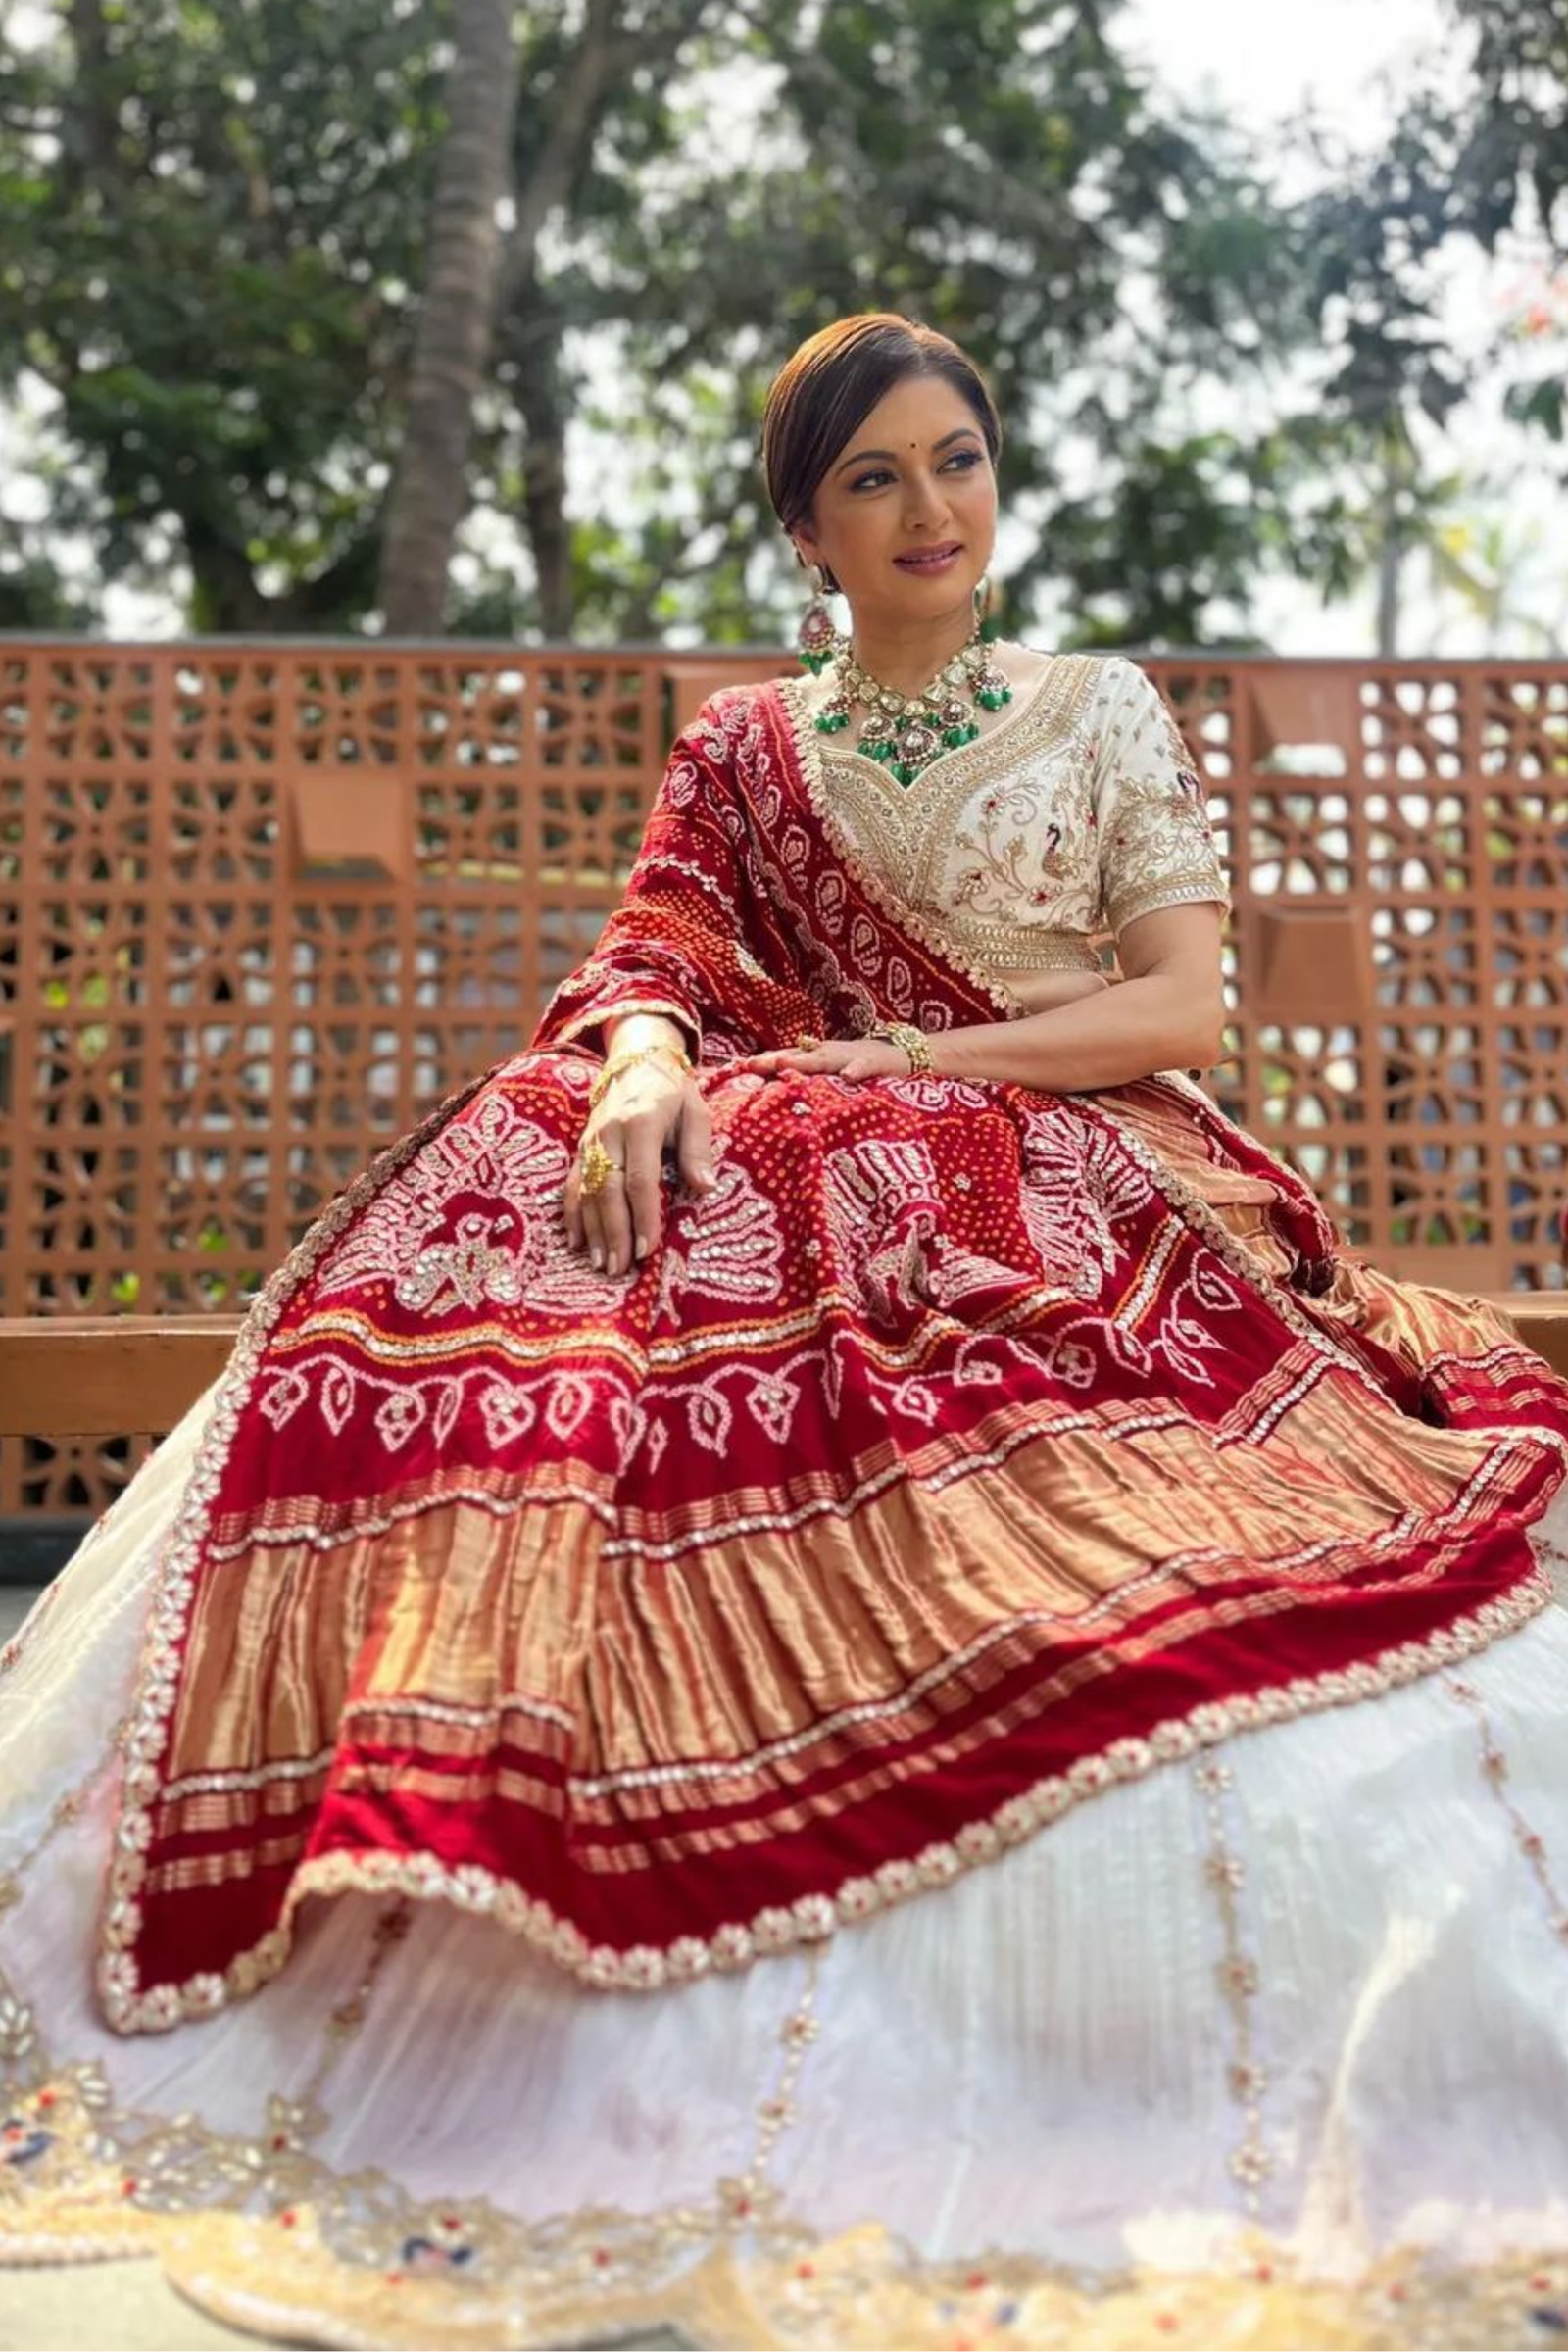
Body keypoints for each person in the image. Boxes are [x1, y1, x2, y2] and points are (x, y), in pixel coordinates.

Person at [3, 311, 1568, 2351]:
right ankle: (505, 1649)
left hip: (1072, 1143)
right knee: (538, 1139)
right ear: (806, 529)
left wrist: (926, 1054)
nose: (930, 508)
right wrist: (649, 1059)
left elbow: (1179, 1014)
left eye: (956, 460)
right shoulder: (746, 741)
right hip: (795, 1126)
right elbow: (651, 941)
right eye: (872, 478)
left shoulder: (1090, 710)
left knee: (864, 1153)